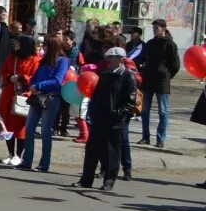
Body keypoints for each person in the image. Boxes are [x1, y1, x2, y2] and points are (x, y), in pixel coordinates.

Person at [80, 47, 140, 191]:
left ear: (121, 59)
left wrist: (116, 113)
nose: (108, 61)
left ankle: (109, 180)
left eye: (111, 58)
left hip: (114, 122)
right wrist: (93, 111)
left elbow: (130, 101)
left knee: (111, 152)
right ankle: (86, 179)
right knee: (92, 151)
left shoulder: (128, 77)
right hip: (99, 119)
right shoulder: (105, 74)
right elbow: (97, 96)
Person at [20, 35, 68, 173]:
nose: (43, 47)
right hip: (37, 97)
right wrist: (32, 85)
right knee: (29, 128)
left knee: (45, 131)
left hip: (51, 98)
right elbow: (34, 77)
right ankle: (26, 160)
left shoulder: (62, 61)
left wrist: (39, 85)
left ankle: (44, 164)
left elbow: (58, 80)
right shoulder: (44, 61)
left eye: (45, 45)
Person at [137, 18, 180, 148]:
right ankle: (145, 137)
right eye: (153, 28)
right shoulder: (150, 43)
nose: (154, 30)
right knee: (144, 110)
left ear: (163, 29)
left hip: (162, 81)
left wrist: (166, 75)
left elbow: (175, 65)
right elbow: (144, 58)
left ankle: (160, 138)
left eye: (156, 28)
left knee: (163, 112)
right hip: (148, 80)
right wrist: (144, 66)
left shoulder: (170, 45)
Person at [0, 34, 38, 165]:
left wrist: (21, 78)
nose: (16, 45)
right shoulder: (12, 57)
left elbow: (34, 76)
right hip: (9, 94)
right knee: (8, 125)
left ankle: (19, 155)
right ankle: (10, 153)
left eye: (18, 43)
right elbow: (3, 71)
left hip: (24, 96)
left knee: (21, 126)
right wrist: (9, 77)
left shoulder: (34, 59)